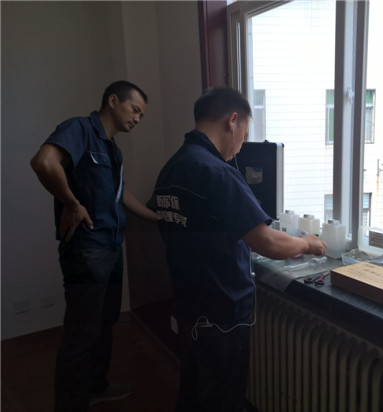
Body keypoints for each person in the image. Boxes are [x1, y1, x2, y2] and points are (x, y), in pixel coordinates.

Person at [151, 86, 326, 412]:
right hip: (221, 309)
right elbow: (268, 242)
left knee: (194, 388)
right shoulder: (216, 172)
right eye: (244, 135)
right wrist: (308, 243)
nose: (240, 146)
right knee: (222, 397)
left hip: (189, 301)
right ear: (232, 121)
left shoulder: (172, 167)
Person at [30, 80, 159, 411]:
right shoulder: (80, 129)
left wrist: (155, 217)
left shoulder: (112, 149)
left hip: (112, 248)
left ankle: (95, 387)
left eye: (142, 115)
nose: (137, 119)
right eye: (135, 110)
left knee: (104, 324)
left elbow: (121, 194)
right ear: (113, 101)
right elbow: (43, 162)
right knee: (81, 332)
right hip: (87, 249)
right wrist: (71, 203)